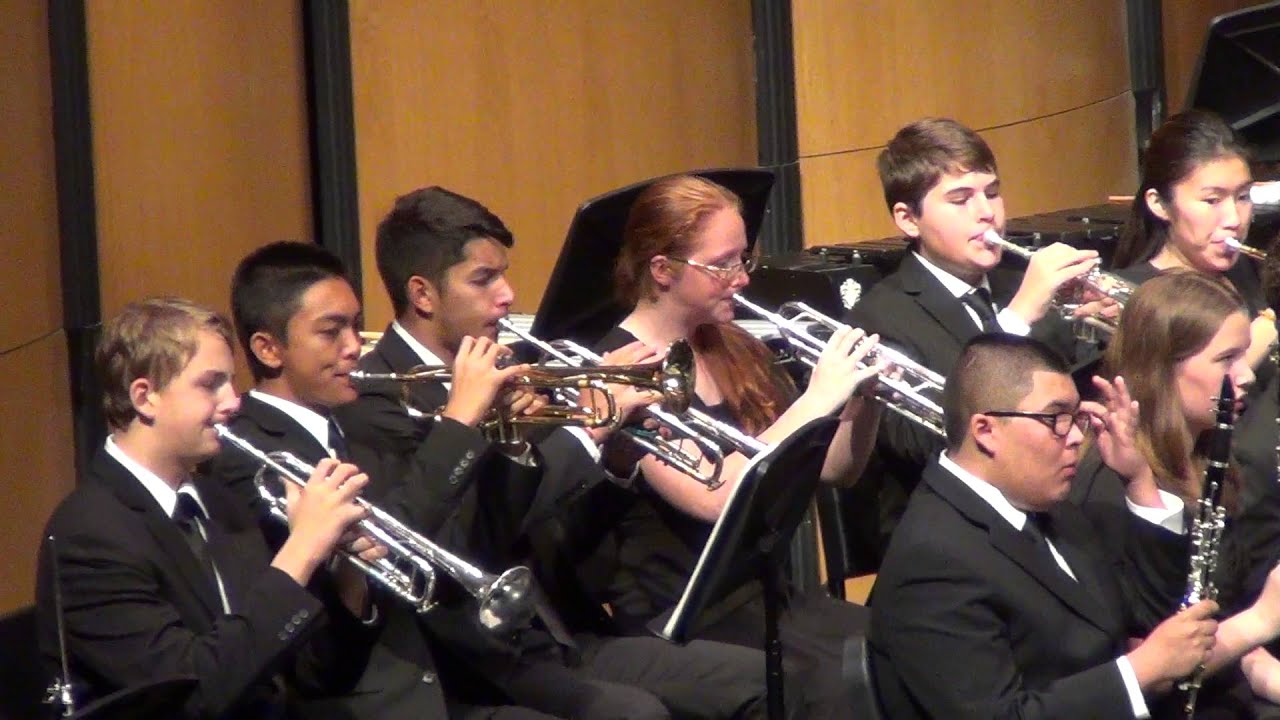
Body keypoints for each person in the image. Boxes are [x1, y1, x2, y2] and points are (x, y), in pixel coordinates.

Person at [337, 187, 782, 720]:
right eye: (483, 280)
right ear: (423, 295)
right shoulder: (378, 403)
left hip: (565, 627)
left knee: (762, 678)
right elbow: (446, 544)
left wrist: (615, 455)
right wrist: (581, 434)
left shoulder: (513, 364)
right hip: (474, 657)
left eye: (503, 274)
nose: (507, 295)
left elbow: (563, 527)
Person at [206, 241, 558, 720]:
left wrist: (506, 440)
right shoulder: (247, 451)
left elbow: (456, 539)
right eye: (331, 332)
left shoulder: (354, 423)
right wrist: (458, 421)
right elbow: (392, 539)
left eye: (354, 325)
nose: (355, 346)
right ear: (269, 349)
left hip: (437, 675)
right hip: (350, 700)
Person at [870, 332, 1280, 720]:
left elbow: (1154, 619)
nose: (1073, 439)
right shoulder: (933, 557)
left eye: (1075, 417)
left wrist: (1139, 483)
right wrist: (1138, 671)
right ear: (986, 431)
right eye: (1055, 419)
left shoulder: (1051, 506)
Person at [597, 173, 882, 720]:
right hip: (687, 614)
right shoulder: (620, 373)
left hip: (767, 596)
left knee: (897, 647)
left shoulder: (734, 346)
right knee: (828, 687)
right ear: (663, 270)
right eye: (723, 264)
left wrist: (861, 402)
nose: (743, 279)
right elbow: (717, 494)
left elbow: (836, 468)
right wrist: (815, 399)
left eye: (743, 259)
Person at [34, 297, 379, 718]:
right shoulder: (88, 535)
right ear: (145, 397)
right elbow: (193, 695)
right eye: (210, 384)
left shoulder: (223, 504)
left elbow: (315, 679)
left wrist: (348, 576)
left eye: (231, 382)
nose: (233, 401)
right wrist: (301, 549)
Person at [843, 116, 1107, 554]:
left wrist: (1105, 335)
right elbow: (923, 441)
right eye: (960, 199)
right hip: (953, 537)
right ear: (909, 220)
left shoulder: (1017, 283)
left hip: (1052, 515)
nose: (987, 212)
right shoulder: (880, 316)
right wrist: (1017, 319)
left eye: (993, 192)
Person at [1069, 270, 1280, 713]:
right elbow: (1156, 661)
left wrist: (1265, 673)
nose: (1245, 376)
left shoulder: (1212, 459)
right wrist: (1262, 621)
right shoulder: (1103, 488)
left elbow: (1225, 608)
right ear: (1163, 367)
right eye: (1227, 359)